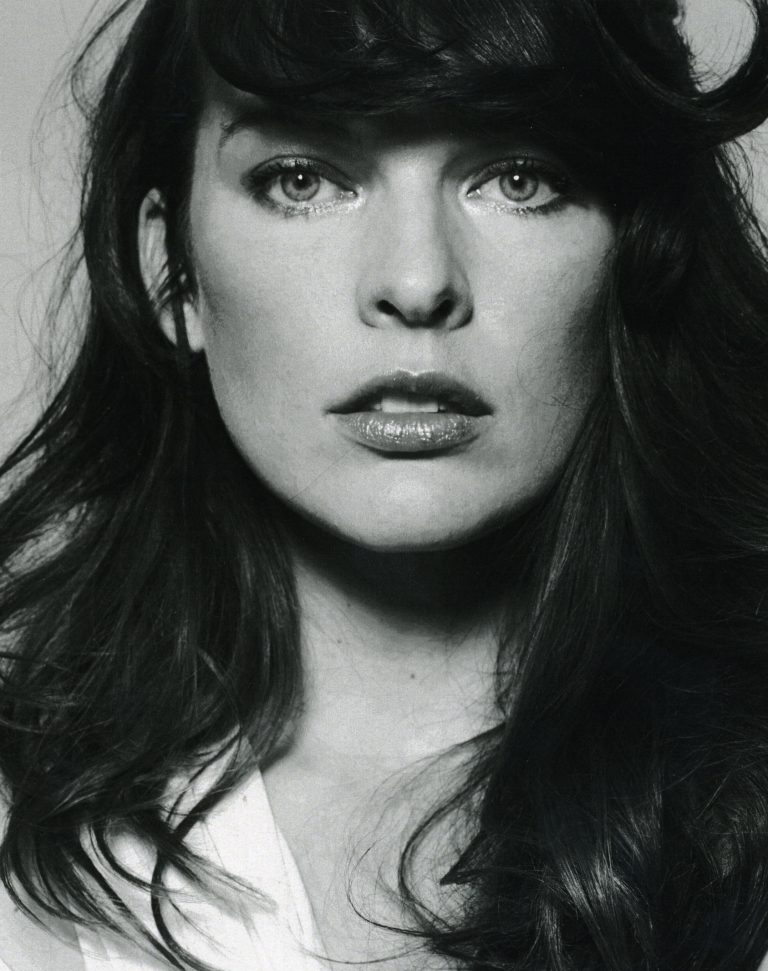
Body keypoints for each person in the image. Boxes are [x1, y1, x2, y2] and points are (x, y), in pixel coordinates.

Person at [2, 0, 768, 968]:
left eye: (520, 177)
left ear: (637, 253)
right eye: (302, 179)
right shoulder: (26, 835)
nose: (416, 281)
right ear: (172, 273)